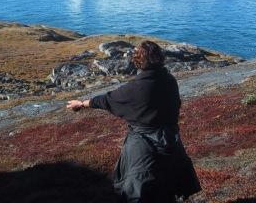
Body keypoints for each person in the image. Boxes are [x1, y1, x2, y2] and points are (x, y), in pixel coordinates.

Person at [66, 40, 201, 202]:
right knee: (167, 187)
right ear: (159, 58)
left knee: (138, 190)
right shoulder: (170, 80)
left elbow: (107, 100)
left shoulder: (136, 88)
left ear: (137, 61)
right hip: (171, 141)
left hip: (142, 146)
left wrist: (81, 104)